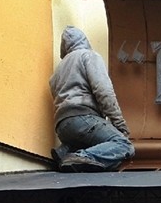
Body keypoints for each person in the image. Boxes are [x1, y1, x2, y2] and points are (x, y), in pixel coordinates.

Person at [49, 25, 135, 172]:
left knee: (99, 154)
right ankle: (79, 156)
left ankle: (66, 151)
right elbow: (104, 91)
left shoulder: (57, 71)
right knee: (123, 145)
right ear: (84, 40)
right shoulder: (88, 56)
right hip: (83, 119)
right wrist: (120, 125)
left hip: (62, 127)